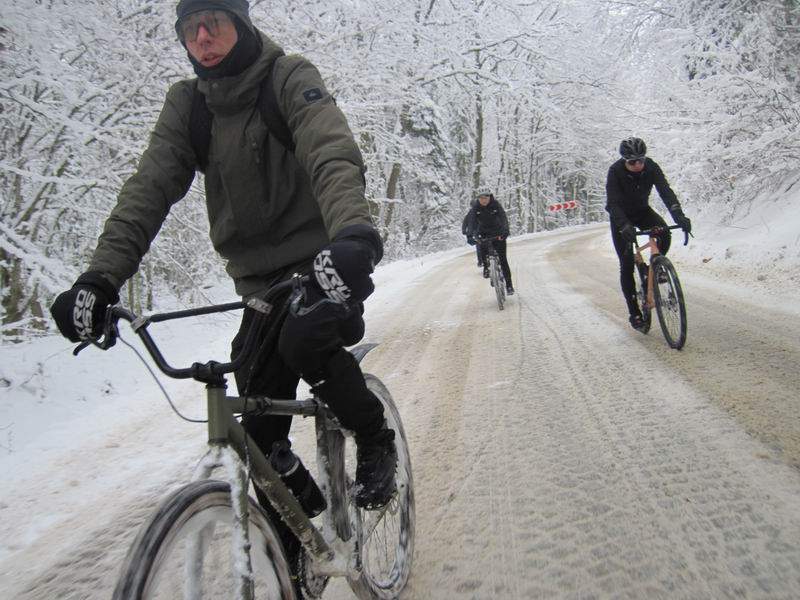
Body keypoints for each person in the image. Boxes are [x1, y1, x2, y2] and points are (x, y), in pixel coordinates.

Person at [48, 0, 397, 579]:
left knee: (305, 342)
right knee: (257, 426)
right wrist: (99, 277)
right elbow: (149, 188)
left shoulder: (288, 78)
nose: (202, 37)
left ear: (242, 24)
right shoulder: (190, 107)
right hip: (258, 283)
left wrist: (353, 234)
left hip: (323, 264)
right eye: (190, 29)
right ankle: (295, 536)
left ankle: (374, 435)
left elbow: (329, 150)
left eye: (215, 23)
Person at [605, 137, 692, 329]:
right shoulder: (615, 172)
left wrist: (679, 216)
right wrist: (623, 226)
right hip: (621, 217)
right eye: (632, 162)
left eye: (641, 160)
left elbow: (666, 192)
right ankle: (635, 313)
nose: (637, 165)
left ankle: (655, 266)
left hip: (643, 211)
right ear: (624, 161)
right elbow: (612, 204)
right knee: (626, 264)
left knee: (664, 234)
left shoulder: (651, 167)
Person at [466, 187, 514, 295]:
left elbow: (503, 218)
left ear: (489, 197)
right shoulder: (476, 208)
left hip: (498, 233)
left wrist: (506, 231)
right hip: (484, 233)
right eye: (481, 198)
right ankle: (486, 267)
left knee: (503, 259)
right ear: (478, 199)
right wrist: (470, 236)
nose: (483, 200)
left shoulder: (495, 205)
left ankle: (509, 285)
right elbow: (471, 222)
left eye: (486, 198)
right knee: (482, 248)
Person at [462, 199, 483, 267]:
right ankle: (481, 261)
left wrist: (464, 231)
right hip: (480, 232)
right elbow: (466, 223)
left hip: (476, 232)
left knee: (479, 246)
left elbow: (465, 223)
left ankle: (480, 262)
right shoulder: (481, 209)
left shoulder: (470, 213)